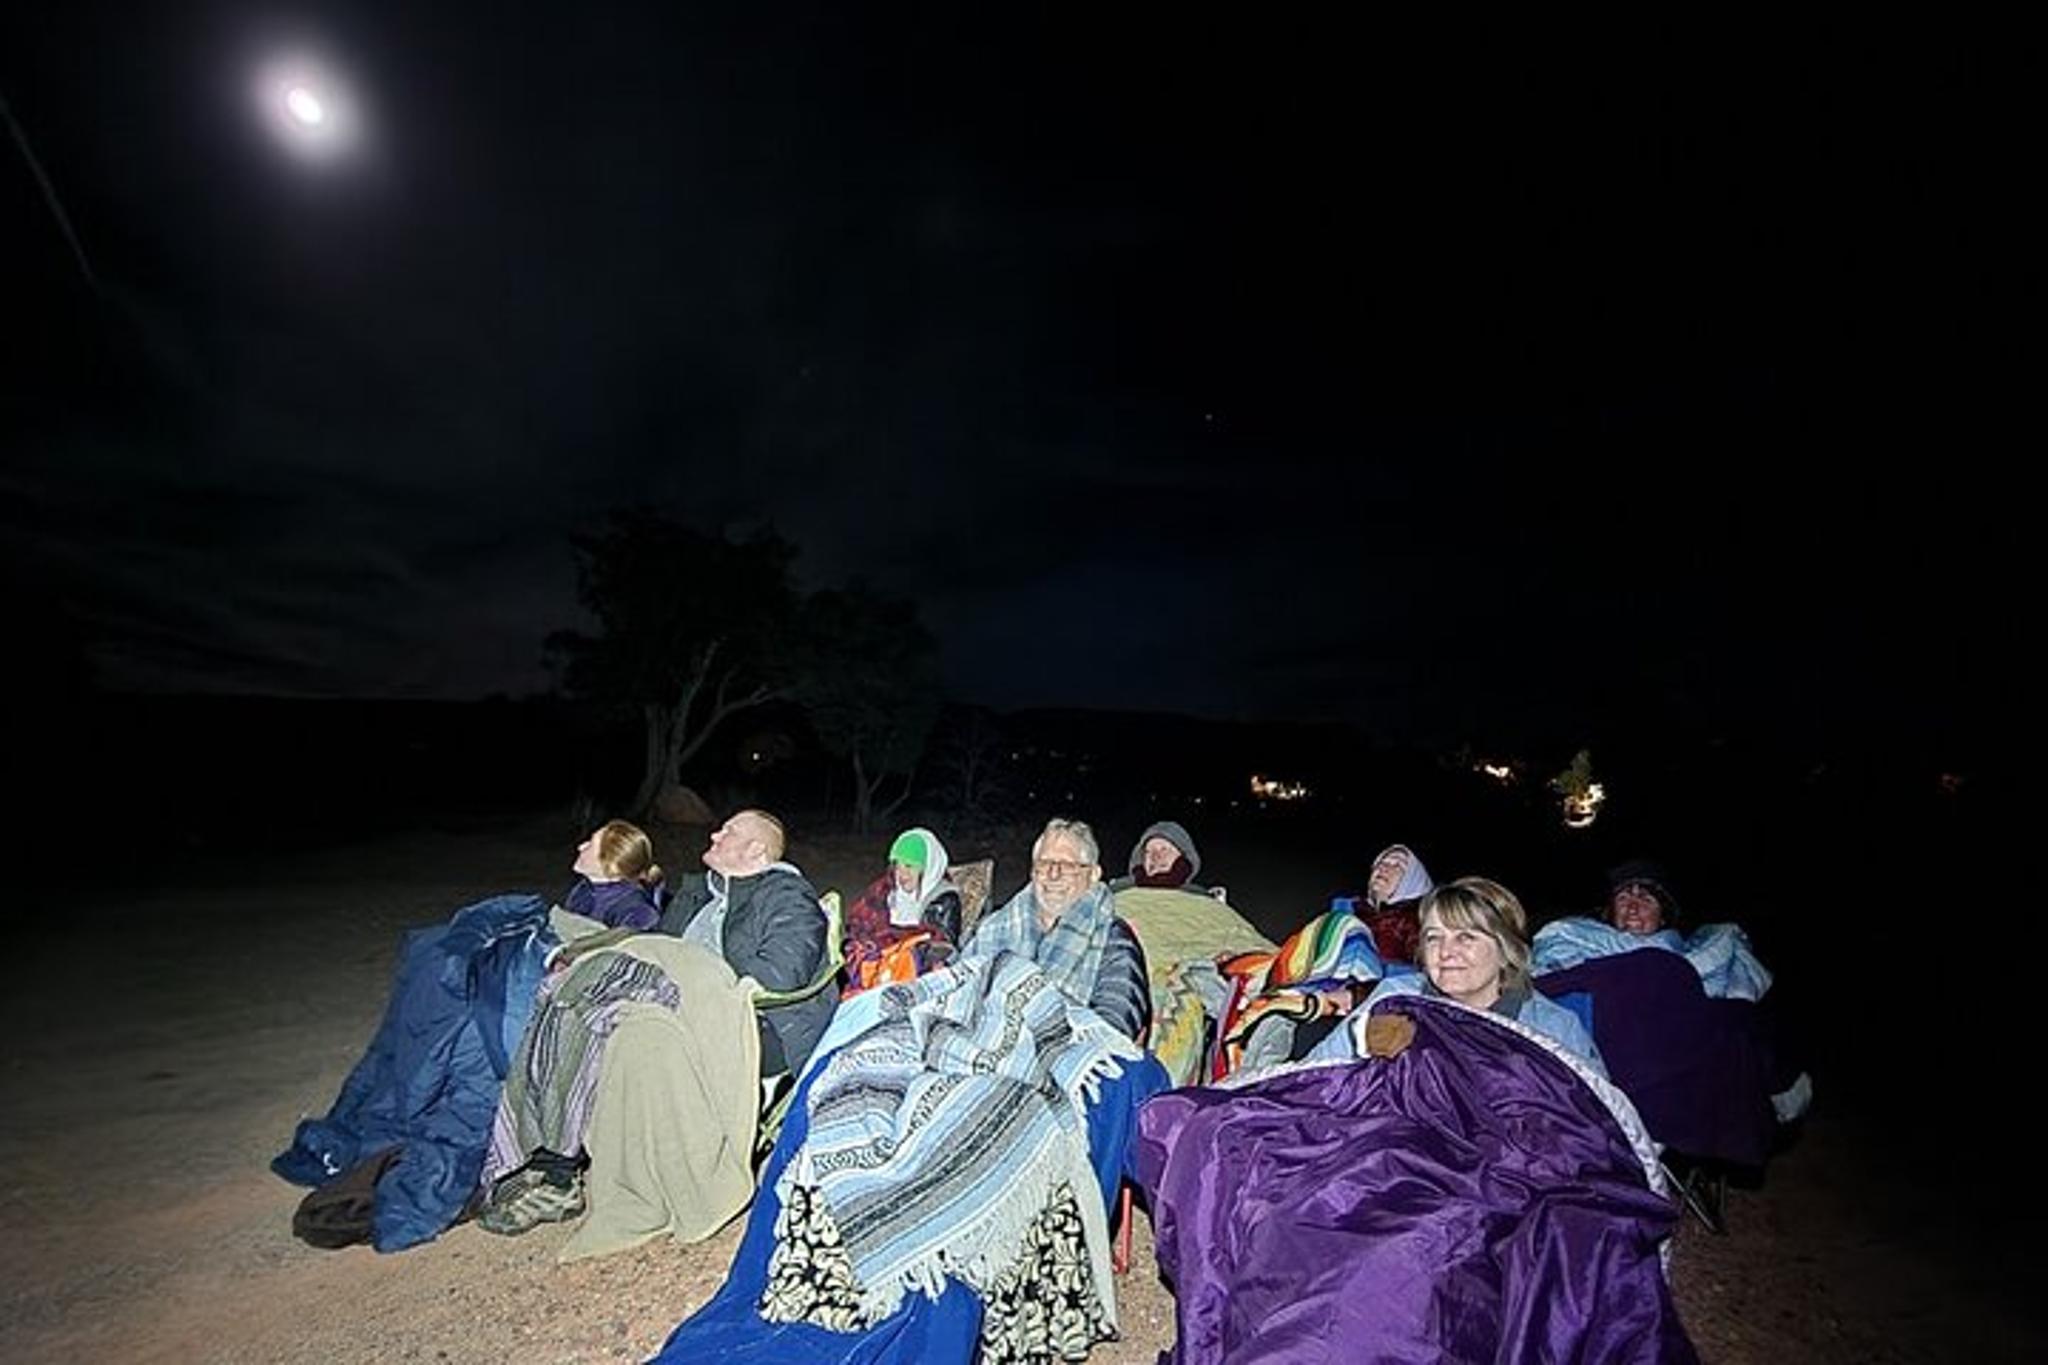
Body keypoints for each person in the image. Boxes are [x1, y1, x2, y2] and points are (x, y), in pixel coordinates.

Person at [1313, 875, 1604, 1074]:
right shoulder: (1397, 996)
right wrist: (1361, 1045)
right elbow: (1314, 1070)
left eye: (1465, 937)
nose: (1445, 952)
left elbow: (1596, 1126)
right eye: (1433, 937)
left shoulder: (1554, 1028)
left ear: (1506, 950)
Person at [658, 809, 836, 1078]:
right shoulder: (698, 894)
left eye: (729, 831)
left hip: (760, 1026)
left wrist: (695, 987)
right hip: (677, 1009)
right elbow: (659, 947)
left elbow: (779, 975)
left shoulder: (788, 898)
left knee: (644, 1043)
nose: (715, 835)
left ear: (755, 850)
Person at [959, 817, 1150, 1040]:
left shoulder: (1114, 940)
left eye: (1067, 865)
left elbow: (1114, 1026)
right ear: (1033, 871)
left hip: (1068, 1061)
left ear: (1094, 875)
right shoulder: (993, 928)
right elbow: (955, 992)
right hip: (981, 1055)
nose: (1053, 875)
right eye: (1045, 863)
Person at [840, 826, 962, 996]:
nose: (901, 874)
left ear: (926, 868)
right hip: (883, 960)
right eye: (897, 866)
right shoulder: (885, 889)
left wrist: (893, 947)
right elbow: (858, 924)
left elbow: (939, 946)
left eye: (909, 866)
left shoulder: (944, 899)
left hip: (914, 968)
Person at [562, 819, 667, 931]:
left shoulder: (636, 913)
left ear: (612, 867)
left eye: (590, 846)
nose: (581, 847)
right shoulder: (585, 889)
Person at [1353, 842, 1434, 964]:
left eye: (1397, 866)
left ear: (1411, 881)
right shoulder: (1350, 911)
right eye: (1382, 863)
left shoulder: (1416, 923)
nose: (1383, 868)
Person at [1107, 820, 1218, 898]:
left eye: (1164, 849)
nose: (1156, 856)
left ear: (1183, 858)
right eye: (1148, 851)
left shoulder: (1202, 899)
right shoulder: (1115, 893)